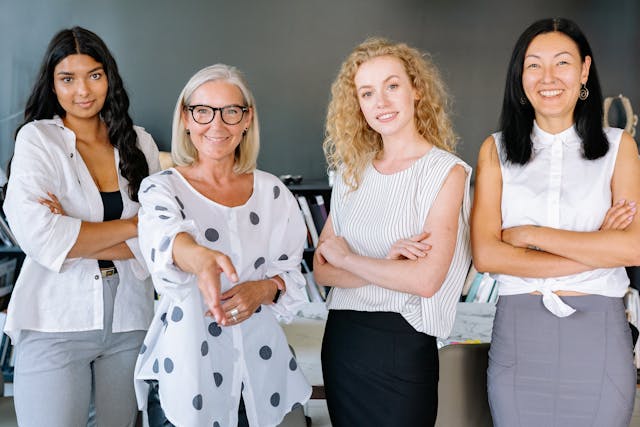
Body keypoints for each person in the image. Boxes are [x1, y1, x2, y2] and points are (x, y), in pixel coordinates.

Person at [471, 18, 639, 427]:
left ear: (584, 70)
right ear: (520, 75)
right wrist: (597, 246)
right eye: (534, 65)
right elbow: (486, 255)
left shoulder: (620, 146)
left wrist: (530, 236)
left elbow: (633, 247)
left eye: (562, 63)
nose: (548, 78)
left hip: (598, 335)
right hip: (519, 335)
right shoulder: (495, 151)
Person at [133, 64, 311, 427]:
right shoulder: (161, 188)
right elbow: (166, 241)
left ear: (247, 120)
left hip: (261, 379)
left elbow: (291, 276)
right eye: (203, 111)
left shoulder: (273, 192)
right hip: (187, 378)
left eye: (231, 112)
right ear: (185, 118)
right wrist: (201, 259)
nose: (216, 125)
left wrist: (265, 289)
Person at [3, 27, 160, 427]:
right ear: (52, 86)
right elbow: (40, 237)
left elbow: (159, 240)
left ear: (109, 77)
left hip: (129, 319)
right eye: (67, 79)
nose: (83, 90)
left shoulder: (139, 145)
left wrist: (75, 231)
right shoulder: (38, 141)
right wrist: (133, 226)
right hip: (55, 317)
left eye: (94, 74)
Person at [314, 38, 472, 426]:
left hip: (402, 343)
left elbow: (425, 280)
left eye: (392, 86)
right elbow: (321, 270)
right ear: (358, 104)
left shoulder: (446, 173)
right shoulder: (351, 172)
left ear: (416, 89)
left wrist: (349, 259)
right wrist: (385, 264)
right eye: (367, 93)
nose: (380, 102)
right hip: (343, 340)